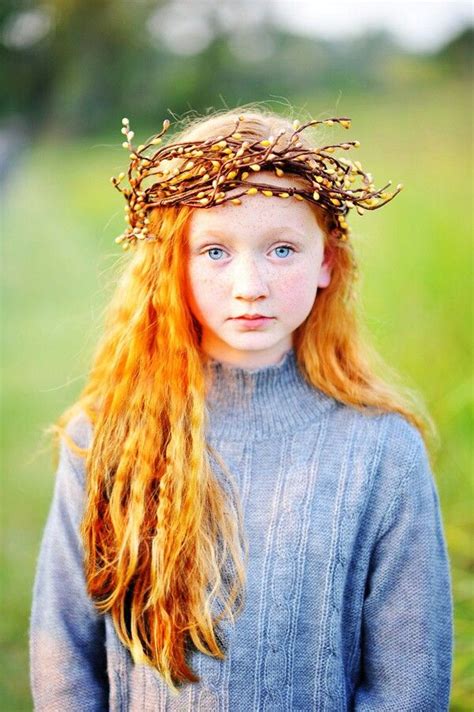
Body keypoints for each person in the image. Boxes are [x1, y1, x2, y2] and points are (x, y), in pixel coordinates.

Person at [29, 106, 453, 711]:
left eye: (282, 249)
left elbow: (408, 685)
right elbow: (63, 655)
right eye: (215, 252)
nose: (249, 283)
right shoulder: (107, 437)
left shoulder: (382, 452)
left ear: (326, 263)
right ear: (172, 263)